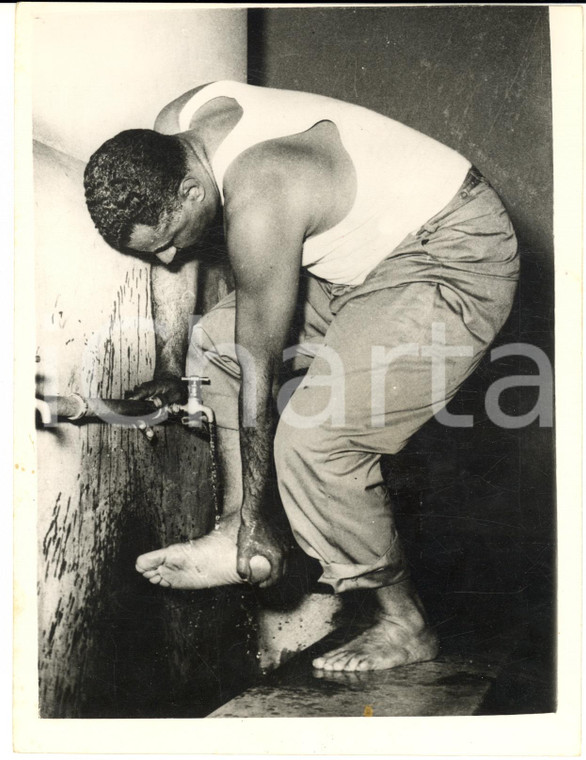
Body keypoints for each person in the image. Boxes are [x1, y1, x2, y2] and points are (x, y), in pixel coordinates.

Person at [84, 81, 519, 672]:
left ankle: (404, 622)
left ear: (188, 191)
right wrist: (168, 366)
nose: (169, 260)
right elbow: (215, 320)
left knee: (315, 439)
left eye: (165, 244)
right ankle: (233, 532)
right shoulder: (175, 128)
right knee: (212, 344)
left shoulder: (262, 192)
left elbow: (259, 371)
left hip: (452, 251)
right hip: (361, 266)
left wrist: (268, 520)